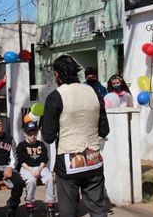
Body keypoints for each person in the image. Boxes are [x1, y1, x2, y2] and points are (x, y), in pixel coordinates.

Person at [42, 55, 109, 217]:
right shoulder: (94, 92)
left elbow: (48, 136)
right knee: (98, 210)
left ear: (57, 75)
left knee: (68, 210)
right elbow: (104, 130)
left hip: (68, 162)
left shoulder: (55, 96)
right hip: (93, 159)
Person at [16, 121, 55, 217]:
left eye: (35, 133)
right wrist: (31, 170)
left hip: (40, 167)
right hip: (27, 168)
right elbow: (22, 161)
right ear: (25, 134)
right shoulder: (21, 145)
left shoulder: (41, 144)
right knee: (31, 180)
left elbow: (44, 159)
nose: (33, 136)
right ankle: (30, 203)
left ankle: (50, 204)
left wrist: (39, 169)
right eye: (30, 134)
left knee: (50, 178)